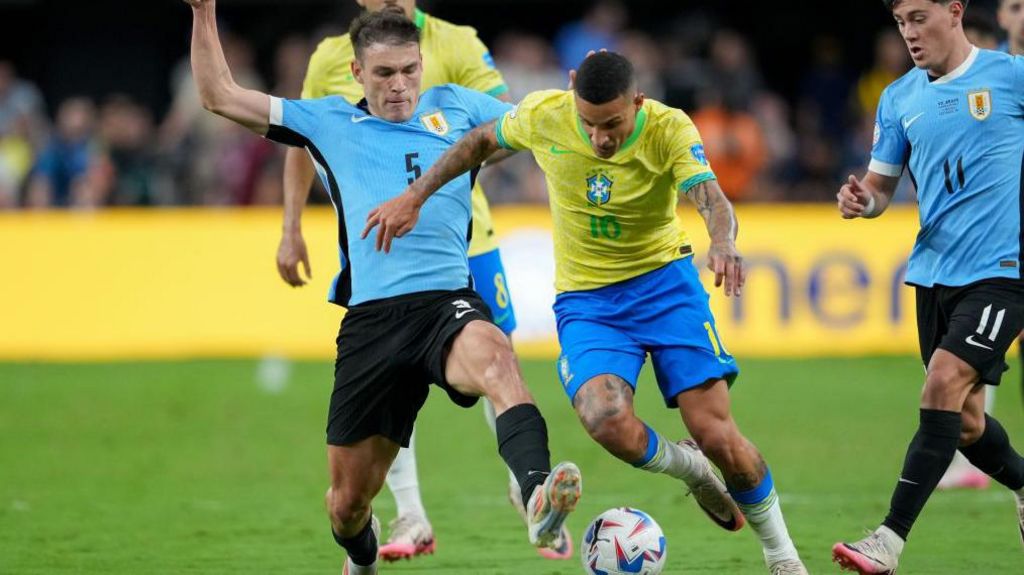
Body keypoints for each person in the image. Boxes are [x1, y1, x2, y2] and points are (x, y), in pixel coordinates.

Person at [363, 51, 808, 575]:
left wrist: (723, 241)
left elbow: (708, 195)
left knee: (717, 433)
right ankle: (690, 469)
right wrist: (415, 195)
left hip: (665, 286)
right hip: (589, 301)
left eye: (613, 123)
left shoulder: (668, 127)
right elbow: (480, 141)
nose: (599, 137)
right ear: (572, 92)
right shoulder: (544, 114)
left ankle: (783, 556)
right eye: (589, 122)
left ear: (638, 103)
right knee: (604, 419)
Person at [184, 3, 582, 574]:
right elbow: (219, 94)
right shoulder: (326, 122)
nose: (400, 86)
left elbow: (539, 125)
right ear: (357, 74)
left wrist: (582, 96)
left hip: (447, 303)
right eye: (384, 74)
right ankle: (363, 556)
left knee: (498, 357)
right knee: (346, 506)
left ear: (422, 64)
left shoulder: (459, 109)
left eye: (409, 71)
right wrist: (203, 13)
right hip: (372, 322)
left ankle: (538, 493)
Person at [831, 1, 1024, 572]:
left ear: (955, 11)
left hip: (1003, 271)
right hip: (935, 274)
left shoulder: (1009, 76)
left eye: (919, 17)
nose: (908, 33)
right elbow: (881, 188)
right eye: (900, 23)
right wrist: (862, 202)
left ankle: (887, 542)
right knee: (962, 422)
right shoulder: (898, 99)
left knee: (941, 382)